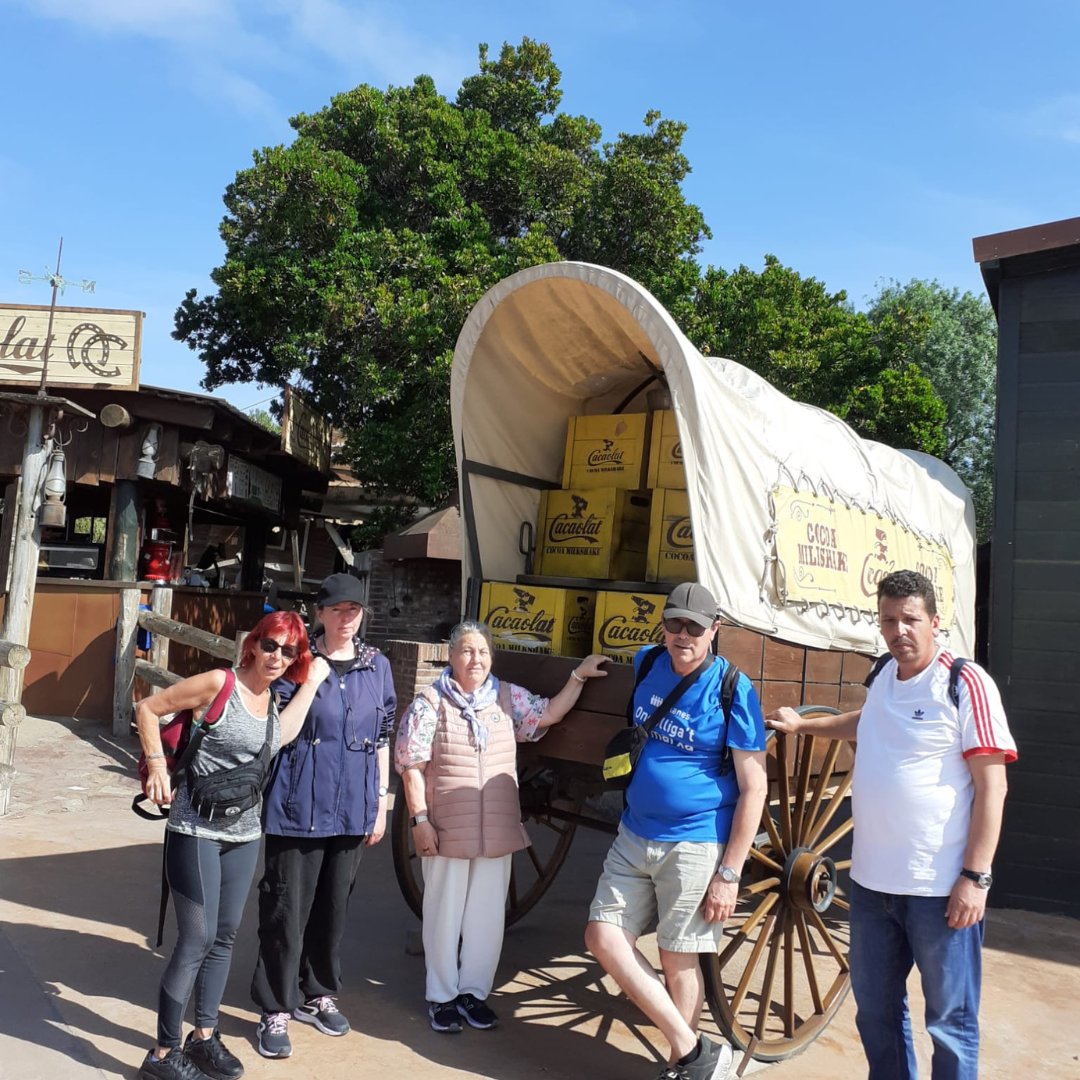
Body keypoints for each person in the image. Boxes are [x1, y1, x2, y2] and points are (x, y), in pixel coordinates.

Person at [769, 569, 1016, 1080]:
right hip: (871, 885)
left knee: (950, 1022)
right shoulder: (883, 673)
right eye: (888, 620)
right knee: (876, 1013)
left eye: (910, 619)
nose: (898, 630)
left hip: (938, 888)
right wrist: (804, 724)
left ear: (934, 621)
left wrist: (975, 878)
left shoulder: (963, 682)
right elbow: (865, 722)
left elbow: (993, 787)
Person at [584, 582, 768, 1080]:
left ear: (715, 629)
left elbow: (754, 788)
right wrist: (579, 673)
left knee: (678, 957)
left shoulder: (734, 688)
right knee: (601, 935)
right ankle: (695, 1052)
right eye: (674, 624)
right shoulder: (647, 662)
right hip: (634, 830)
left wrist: (729, 872)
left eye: (694, 626)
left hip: (695, 839)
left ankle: (678, 1066)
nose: (682, 635)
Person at [135, 611, 330, 1080]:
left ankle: (203, 1037)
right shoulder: (218, 683)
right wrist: (158, 766)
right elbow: (149, 707)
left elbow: (279, 740)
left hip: (243, 833)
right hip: (195, 829)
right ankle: (162, 1054)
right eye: (271, 646)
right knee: (196, 939)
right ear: (253, 644)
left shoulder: (273, 700)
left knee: (224, 936)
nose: (277, 657)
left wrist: (311, 684)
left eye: (289, 652)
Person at [395, 620, 609, 1034]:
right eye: (467, 651)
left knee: (487, 916)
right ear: (452, 656)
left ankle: (473, 994)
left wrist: (578, 676)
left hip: (496, 827)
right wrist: (420, 820)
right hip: (447, 826)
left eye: (482, 652)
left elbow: (547, 713)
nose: (475, 659)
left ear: (491, 657)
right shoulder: (429, 703)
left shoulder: (506, 698)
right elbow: (411, 766)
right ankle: (442, 997)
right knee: (444, 912)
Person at [251, 573, 397, 1059]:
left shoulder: (378, 666)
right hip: (298, 803)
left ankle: (317, 993)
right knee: (286, 908)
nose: (346, 617)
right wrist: (312, 680)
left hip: (353, 805)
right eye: (337, 609)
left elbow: (382, 735)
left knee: (333, 910)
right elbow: (282, 732)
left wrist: (379, 802)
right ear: (320, 613)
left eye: (354, 610)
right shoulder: (295, 660)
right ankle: (274, 1005)